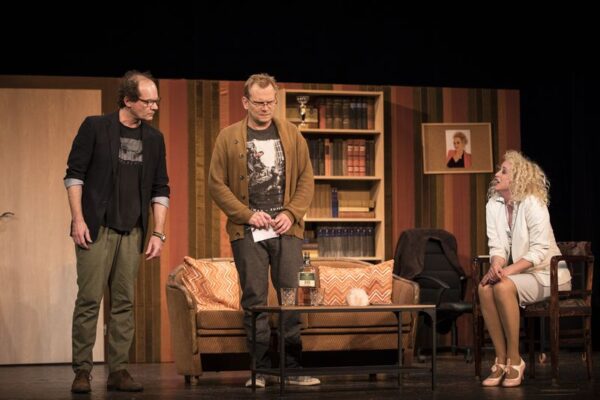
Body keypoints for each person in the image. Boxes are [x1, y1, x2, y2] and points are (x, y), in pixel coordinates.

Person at [208, 73, 319, 388]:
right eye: (259, 102)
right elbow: (217, 184)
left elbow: (306, 179)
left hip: (287, 230)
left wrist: (291, 213)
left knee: (289, 297)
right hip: (248, 233)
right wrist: (247, 215)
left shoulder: (292, 134)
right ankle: (261, 371)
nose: (266, 108)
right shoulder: (228, 137)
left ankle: (292, 368)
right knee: (255, 299)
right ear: (245, 102)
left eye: (270, 102)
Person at [65, 70, 170, 393]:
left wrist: (158, 233)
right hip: (97, 228)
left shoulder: (154, 139)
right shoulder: (95, 127)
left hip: (133, 230)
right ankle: (82, 371)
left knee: (124, 302)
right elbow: (74, 176)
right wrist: (78, 220)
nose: (154, 107)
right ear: (128, 100)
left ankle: (118, 370)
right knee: (89, 299)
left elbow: (161, 187)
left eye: (156, 101)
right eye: (148, 102)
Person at [478, 150, 571, 387]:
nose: (497, 174)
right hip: (523, 275)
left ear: (517, 178)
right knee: (484, 288)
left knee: (502, 287)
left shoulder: (532, 202)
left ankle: (515, 359)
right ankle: (500, 359)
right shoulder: (493, 205)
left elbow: (539, 250)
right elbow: (497, 246)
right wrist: (496, 267)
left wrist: (506, 272)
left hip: (549, 274)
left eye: (503, 171)